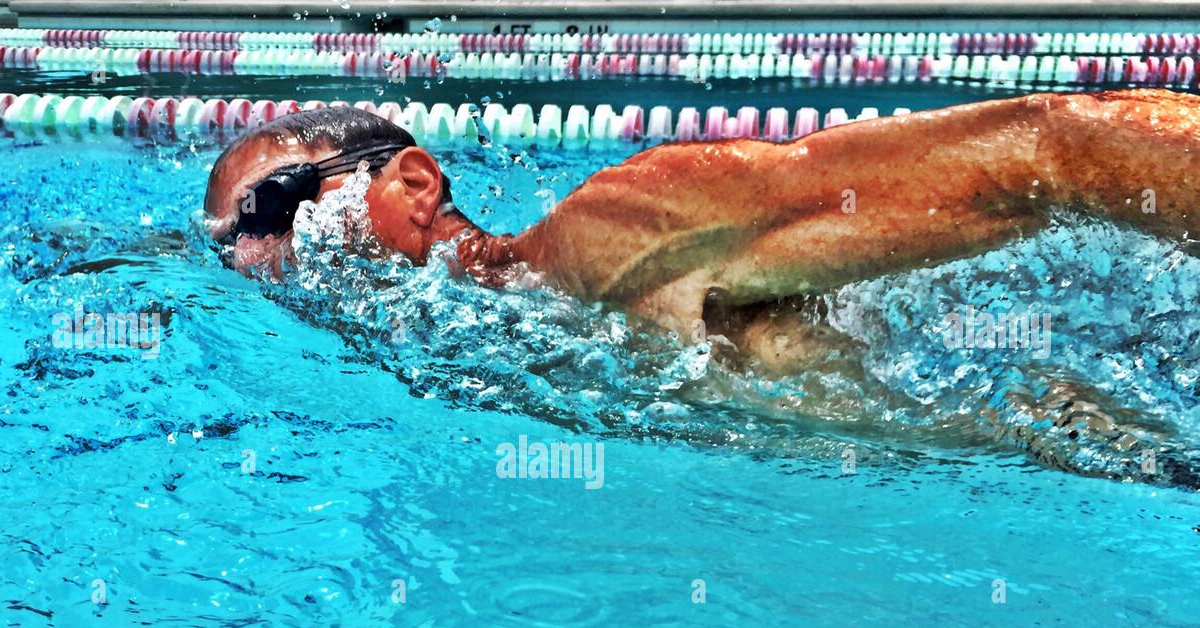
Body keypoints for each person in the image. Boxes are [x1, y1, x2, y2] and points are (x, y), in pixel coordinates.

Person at [203, 90, 1200, 376]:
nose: (254, 257)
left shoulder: (619, 234)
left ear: (414, 181)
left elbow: (1048, 148)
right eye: (227, 243)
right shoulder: (507, 355)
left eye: (271, 206)